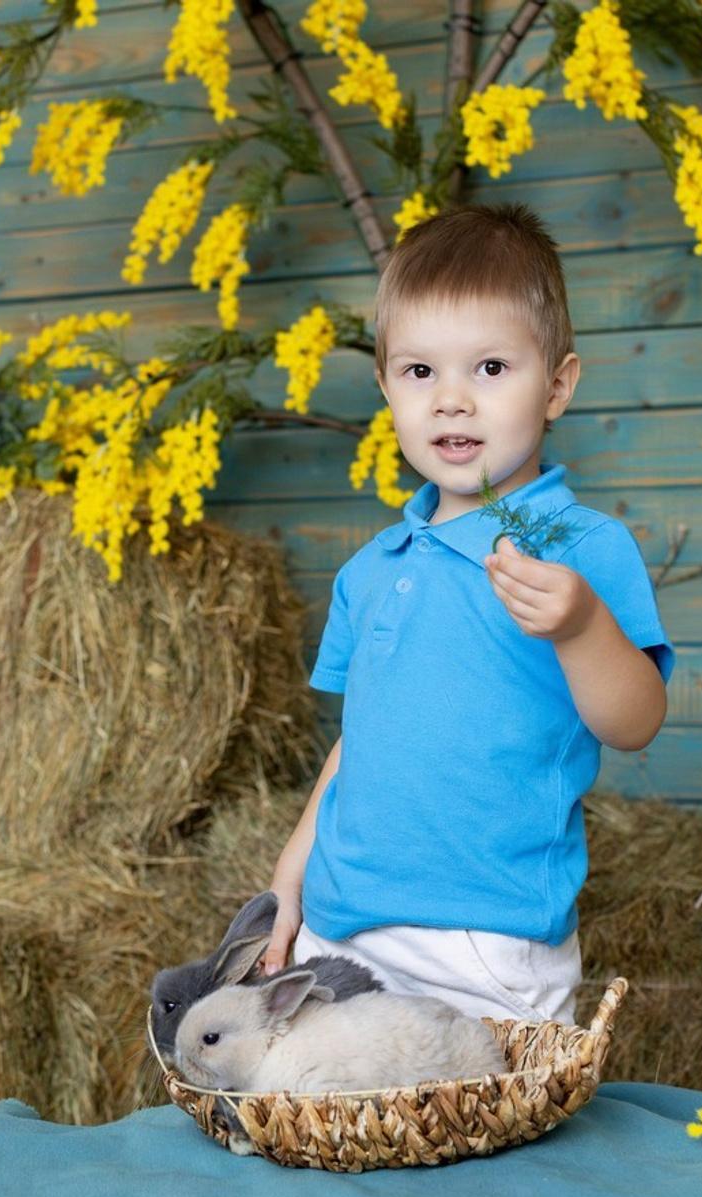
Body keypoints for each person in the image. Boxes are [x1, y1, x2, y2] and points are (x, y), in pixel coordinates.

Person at [262, 203, 674, 1024]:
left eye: (489, 368)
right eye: (421, 373)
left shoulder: (579, 548)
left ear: (556, 386)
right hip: (344, 929)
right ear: (385, 388)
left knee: (480, 1138)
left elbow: (636, 723)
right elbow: (363, 736)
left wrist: (583, 627)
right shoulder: (371, 569)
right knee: (320, 1133)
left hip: (487, 942)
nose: (452, 401)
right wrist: (293, 870)